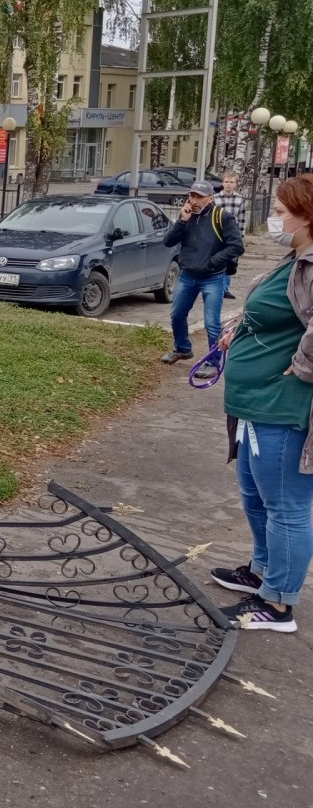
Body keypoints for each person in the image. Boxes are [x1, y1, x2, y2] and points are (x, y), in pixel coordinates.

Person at [213, 175, 313, 632]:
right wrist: (243, 328)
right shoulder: (294, 259)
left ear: (307, 216)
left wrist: (304, 365)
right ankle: (260, 573)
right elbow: (280, 315)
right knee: (255, 497)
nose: (274, 217)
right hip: (255, 403)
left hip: (282, 406)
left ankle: (277, 605)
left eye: (280, 211)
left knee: (286, 507)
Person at [161, 180, 244, 381]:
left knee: (211, 322)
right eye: (192, 196)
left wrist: (212, 262)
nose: (195, 200)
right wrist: (181, 221)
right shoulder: (186, 217)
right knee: (177, 315)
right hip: (188, 275)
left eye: (199, 197)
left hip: (212, 277)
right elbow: (167, 241)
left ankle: (213, 361)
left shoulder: (221, 217)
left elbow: (237, 246)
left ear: (210, 198)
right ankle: (182, 348)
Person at [214, 169, 246, 299]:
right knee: (217, 261)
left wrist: (241, 236)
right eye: (226, 181)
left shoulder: (240, 200)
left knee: (230, 263)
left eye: (231, 182)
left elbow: (242, 219)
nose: (228, 184)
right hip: (217, 235)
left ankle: (225, 289)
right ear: (222, 183)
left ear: (236, 184)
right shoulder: (215, 199)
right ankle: (216, 287)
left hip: (232, 236)